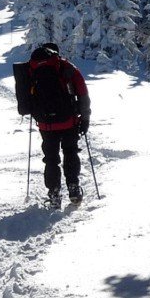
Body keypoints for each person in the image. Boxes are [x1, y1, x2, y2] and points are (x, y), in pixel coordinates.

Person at [26, 42, 91, 208]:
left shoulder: (31, 68)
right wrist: (85, 118)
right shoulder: (66, 66)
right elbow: (82, 92)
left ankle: (54, 193)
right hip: (68, 121)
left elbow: (24, 96)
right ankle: (74, 188)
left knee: (51, 159)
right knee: (70, 152)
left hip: (46, 125)